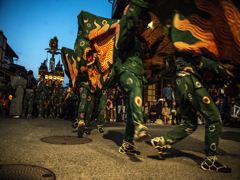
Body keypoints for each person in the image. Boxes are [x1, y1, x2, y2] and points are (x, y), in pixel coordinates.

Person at [151, 54, 231, 173]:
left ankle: (163, 141)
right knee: (214, 118)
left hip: (179, 84)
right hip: (189, 81)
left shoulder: (180, 51)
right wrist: (225, 73)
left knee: (190, 123)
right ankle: (210, 160)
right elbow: (203, 60)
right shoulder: (196, 44)